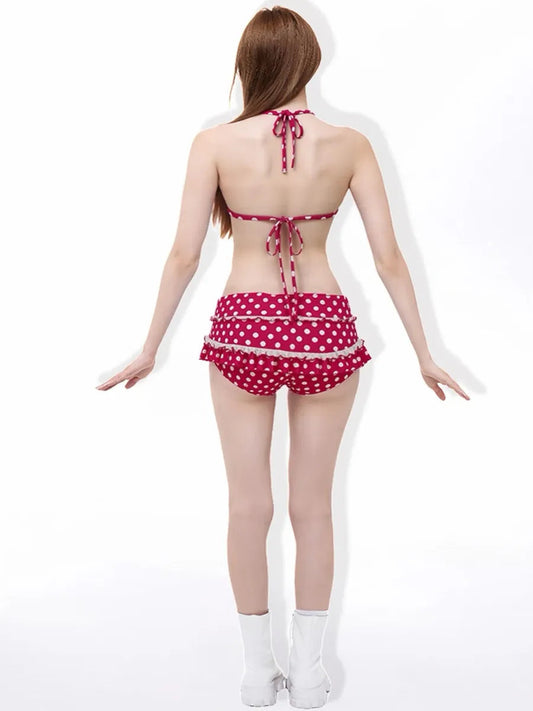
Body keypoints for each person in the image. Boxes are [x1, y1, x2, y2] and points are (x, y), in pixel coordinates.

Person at [96, 5, 470, 708]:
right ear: (310, 62)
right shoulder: (351, 143)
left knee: (248, 505)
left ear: (248, 64)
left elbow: (184, 254)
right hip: (325, 329)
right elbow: (389, 258)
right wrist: (424, 351)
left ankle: (254, 671)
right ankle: (309, 672)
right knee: (313, 507)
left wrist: (151, 346)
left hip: (244, 327)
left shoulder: (214, 143)